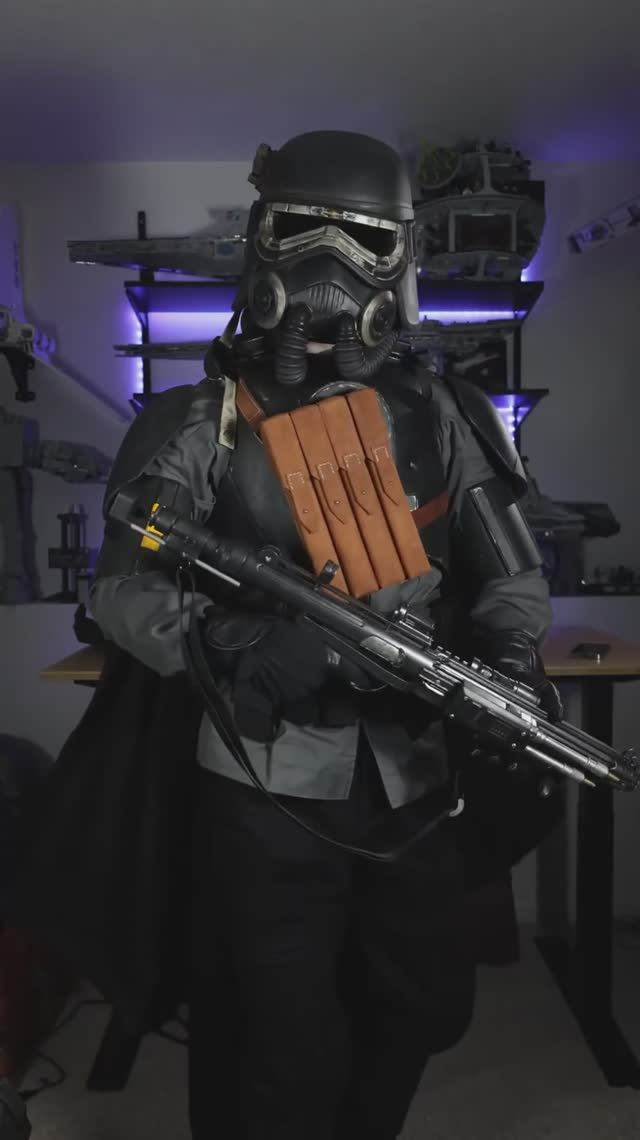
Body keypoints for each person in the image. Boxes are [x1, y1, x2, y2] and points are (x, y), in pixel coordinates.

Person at [90, 130, 561, 1140]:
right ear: (261, 240)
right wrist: (236, 642)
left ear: (403, 252)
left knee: (419, 1002)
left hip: (412, 770)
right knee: (278, 1031)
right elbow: (123, 590)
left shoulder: (444, 412)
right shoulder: (201, 419)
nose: (331, 263)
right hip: (262, 776)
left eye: (363, 238)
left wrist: (508, 666)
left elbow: (512, 575)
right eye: (304, 229)